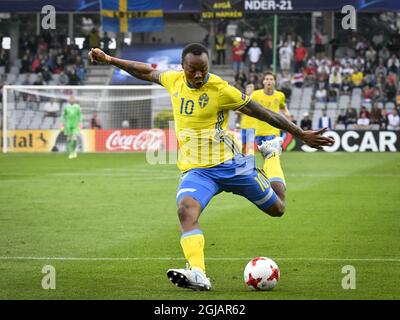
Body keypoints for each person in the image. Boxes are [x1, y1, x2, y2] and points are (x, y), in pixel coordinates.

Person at [88, 44, 334, 292]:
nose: (197, 75)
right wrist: (109, 59)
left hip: (233, 166)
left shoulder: (220, 89)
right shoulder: (173, 80)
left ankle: (271, 156)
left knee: (278, 208)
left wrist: (301, 133)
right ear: (182, 67)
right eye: (192, 70)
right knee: (186, 211)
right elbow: (144, 71)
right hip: (198, 171)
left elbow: (263, 113)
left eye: (203, 70)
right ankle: (198, 273)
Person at [251, 71, 291, 205]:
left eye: (271, 79)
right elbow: (247, 105)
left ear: (274, 82)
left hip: (274, 132)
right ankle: (270, 179)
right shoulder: (256, 94)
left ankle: (275, 185)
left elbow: (283, 107)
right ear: (263, 82)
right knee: (267, 159)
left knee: (273, 157)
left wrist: (287, 114)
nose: (269, 81)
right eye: (267, 79)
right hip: (259, 133)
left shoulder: (280, 95)